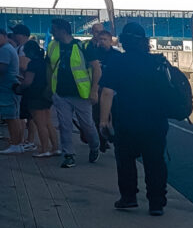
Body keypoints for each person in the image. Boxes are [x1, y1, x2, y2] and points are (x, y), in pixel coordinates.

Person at [98, 23, 169, 216]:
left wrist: (103, 120)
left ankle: (129, 197)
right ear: (144, 41)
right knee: (155, 161)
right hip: (155, 120)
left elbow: (107, 92)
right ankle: (156, 203)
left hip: (127, 119)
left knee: (126, 160)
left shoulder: (117, 62)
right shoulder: (156, 61)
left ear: (123, 41)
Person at [47, 19, 101, 168]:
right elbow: (49, 68)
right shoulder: (52, 46)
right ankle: (69, 155)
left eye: (54, 29)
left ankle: (95, 146)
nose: (52, 32)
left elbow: (97, 69)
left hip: (81, 95)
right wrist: (50, 89)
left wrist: (94, 90)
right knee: (64, 125)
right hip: (61, 94)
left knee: (87, 126)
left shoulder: (83, 46)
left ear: (62, 30)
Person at [17, 40, 57, 157]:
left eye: (25, 51)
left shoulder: (33, 64)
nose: (24, 53)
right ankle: (55, 147)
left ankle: (44, 149)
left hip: (35, 95)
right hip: (46, 94)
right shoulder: (44, 62)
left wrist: (19, 87)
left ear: (30, 51)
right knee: (48, 122)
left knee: (40, 124)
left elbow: (28, 82)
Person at [0, 31, 23, 153]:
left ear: (4, 36)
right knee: (12, 117)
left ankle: (16, 144)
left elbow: (2, 68)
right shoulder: (7, 48)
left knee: (11, 117)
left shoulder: (5, 49)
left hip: (8, 87)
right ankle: (16, 142)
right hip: (8, 87)